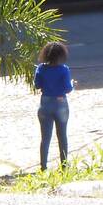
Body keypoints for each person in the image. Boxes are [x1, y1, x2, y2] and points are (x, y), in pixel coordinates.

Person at [34, 42, 73, 170]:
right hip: (60, 102)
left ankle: (43, 167)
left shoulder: (41, 68)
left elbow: (37, 85)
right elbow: (68, 88)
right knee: (62, 136)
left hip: (45, 103)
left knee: (45, 138)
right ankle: (64, 166)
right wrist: (72, 84)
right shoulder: (64, 69)